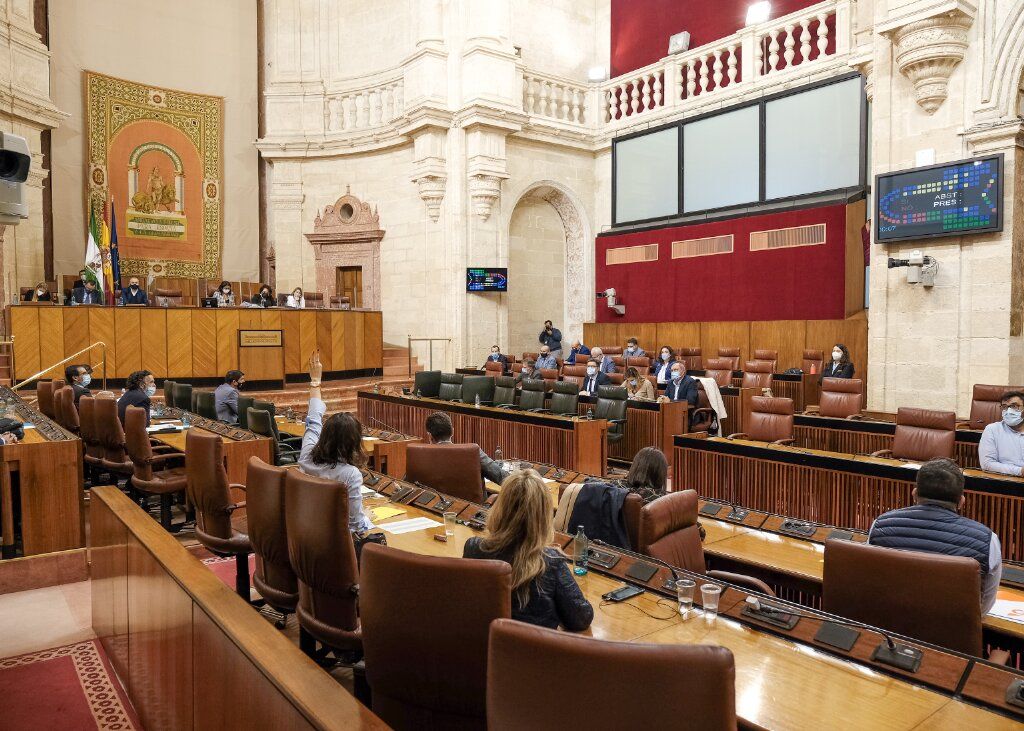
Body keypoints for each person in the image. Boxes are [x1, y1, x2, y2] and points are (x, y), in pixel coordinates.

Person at [463, 469, 593, 631]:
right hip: (531, 647)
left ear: (500, 508)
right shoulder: (550, 561)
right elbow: (581, 619)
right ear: (543, 516)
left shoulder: (473, 548)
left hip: (486, 644)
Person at [868, 458, 1002, 613]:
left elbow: (871, 583)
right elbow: (983, 608)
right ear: (961, 502)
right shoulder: (988, 540)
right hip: (953, 627)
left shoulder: (880, 526)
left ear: (914, 494)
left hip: (888, 624)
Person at [298, 350, 374, 533]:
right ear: (354, 442)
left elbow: (313, 419)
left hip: (305, 531)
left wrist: (315, 381)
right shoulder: (350, 474)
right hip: (333, 541)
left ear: (325, 435)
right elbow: (356, 525)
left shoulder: (306, 455)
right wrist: (368, 518)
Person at [425, 411, 505, 486]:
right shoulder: (473, 453)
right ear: (452, 431)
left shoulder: (422, 457)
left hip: (436, 497)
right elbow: (502, 477)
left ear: (430, 436)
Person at [978, 390, 1024, 476]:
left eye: (1014, 406)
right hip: (1003, 480)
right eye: (1004, 407)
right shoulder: (992, 430)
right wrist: (1019, 471)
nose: (1009, 411)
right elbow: (987, 464)